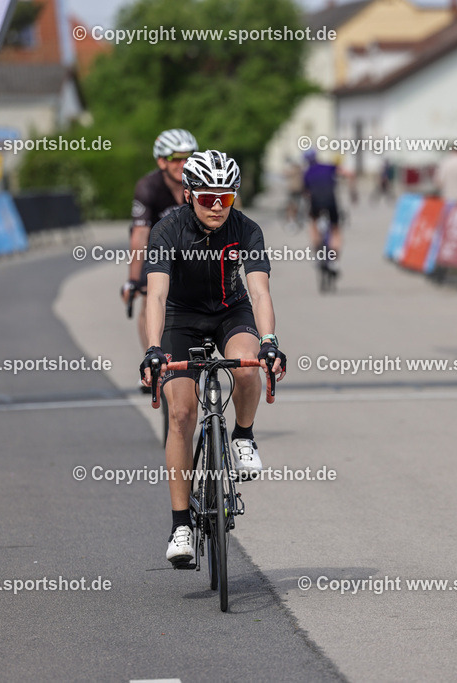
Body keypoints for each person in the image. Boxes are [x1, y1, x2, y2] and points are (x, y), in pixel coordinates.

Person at [139, 150, 287, 567]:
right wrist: (153, 349)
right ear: (188, 195)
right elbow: (157, 295)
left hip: (229, 310)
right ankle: (180, 525)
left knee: (248, 365)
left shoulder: (247, 229)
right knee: (181, 413)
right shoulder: (167, 230)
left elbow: (259, 291)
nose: (218, 207)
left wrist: (270, 341)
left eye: (227, 198)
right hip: (180, 318)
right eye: (208, 198)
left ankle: (243, 435)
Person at [122, 129, 198, 357]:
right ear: (162, 161)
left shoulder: (199, 182)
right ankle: (152, 358)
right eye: (176, 158)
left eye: (188, 158)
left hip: (192, 251)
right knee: (150, 300)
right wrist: (133, 280)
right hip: (158, 253)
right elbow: (140, 235)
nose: (183, 164)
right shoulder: (148, 186)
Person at [303, 149, 344, 271]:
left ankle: (317, 254)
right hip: (331, 201)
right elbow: (348, 174)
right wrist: (353, 192)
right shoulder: (328, 167)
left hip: (316, 203)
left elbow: (306, 193)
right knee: (335, 229)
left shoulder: (307, 173)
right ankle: (334, 261)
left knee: (313, 225)